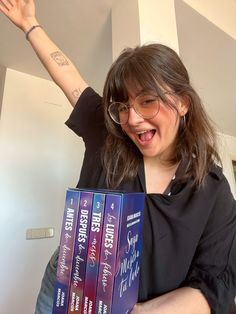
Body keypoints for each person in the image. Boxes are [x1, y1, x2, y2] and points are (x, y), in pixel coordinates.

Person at [1, 1, 236, 313]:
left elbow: (215, 281)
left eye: (148, 101)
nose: (133, 119)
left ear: (183, 103)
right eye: (123, 106)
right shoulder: (109, 136)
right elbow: (69, 78)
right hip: (66, 288)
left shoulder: (213, 189)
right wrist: (30, 24)